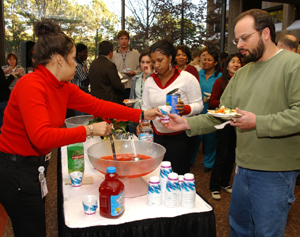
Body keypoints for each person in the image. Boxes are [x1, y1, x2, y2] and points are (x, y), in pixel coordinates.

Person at [0, 19, 162, 237]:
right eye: (72, 59)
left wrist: (141, 113)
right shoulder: (31, 84)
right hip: (16, 169)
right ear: (59, 59)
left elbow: (99, 105)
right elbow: (41, 137)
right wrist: (89, 131)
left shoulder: (62, 87)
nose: (76, 65)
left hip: (35, 167)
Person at [162, 9, 300, 237]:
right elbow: (221, 114)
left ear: (266, 33)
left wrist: (258, 122)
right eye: (237, 39)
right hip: (242, 168)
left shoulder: (293, 65)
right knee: (239, 228)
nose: (240, 45)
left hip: (276, 172)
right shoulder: (243, 73)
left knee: (267, 233)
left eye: (245, 38)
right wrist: (186, 124)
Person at [140, 40, 203, 175]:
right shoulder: (150, 81)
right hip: (157, 136)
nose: (156, 65)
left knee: (178, 175)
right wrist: (144, 123)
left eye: (160, 60)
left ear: (170, 58)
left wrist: (185, 108)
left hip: (181, 137)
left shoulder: (187, 78)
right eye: (153, 61)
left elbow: (199, 105)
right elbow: (145, 108)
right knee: (157, 174)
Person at [208, 54, 242, 200]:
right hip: (223, 122)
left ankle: (225, 182)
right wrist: (227, 107)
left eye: (239, 62)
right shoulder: (220, 82)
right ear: (226, 65)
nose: (236, 64)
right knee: (222, 154)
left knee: (232, 156)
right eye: (232, 61)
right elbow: (212, 102)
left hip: (239, 123)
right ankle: (214, 186)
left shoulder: (244, 81)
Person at [190, 50, 222, 170]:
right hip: (198, 110)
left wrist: (212, 98)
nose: (206, 62)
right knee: (195, 137)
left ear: (215, 63)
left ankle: (208, 163)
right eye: (204, 59)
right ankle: (190, 160)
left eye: (209, 60)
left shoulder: (219, 76)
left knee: (210, 138)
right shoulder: (197, 74)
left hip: (212, 110)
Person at [127, 51, 153, 134]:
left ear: (152, 63)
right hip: (136, 115)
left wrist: (150, 75)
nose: (145, 65)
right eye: (142, 62)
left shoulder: (156, 78)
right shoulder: (135, 79)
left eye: (148, 62)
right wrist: (129, 102)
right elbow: (132, 97)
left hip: (150, 116)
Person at [112, 30, 140, 100]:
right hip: (118, 87)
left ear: (128, 40)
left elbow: (141, 69)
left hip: (132, 86)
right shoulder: (113, 55)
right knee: (119, 109)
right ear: (118, 40)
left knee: (131, 108)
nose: (123, 41)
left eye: (125, 39)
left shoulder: (136, 53)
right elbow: (111, 71)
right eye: (121, 39)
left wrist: (135, 72)